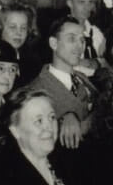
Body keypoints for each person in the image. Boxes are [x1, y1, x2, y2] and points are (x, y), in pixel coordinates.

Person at [26, 17, 97, 151]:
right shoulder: (36, 90)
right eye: (71, 39)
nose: (80, 46)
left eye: (82, 40)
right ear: (53, 43)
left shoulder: (82, 78)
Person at [0, 4, 40, 88]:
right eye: (12, 27)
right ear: (0, 29)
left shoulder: (34, 62)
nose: (18, 33)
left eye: (23, 28)